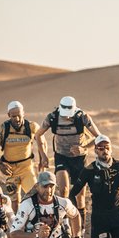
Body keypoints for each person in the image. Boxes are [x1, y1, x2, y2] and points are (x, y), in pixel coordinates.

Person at [34, 96, 100, 225]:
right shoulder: (52, 117)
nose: (67, 117)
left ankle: (81, 227)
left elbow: (98, 137)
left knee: (80, 195)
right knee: (63, 190)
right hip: (61, 156)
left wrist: (83, 148)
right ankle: (65, 225)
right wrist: (43, 155)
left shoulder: (83, 117)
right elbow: (38, 134)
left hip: (79, 158)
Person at [69, 135, 119, 238]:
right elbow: (73, 193)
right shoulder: (89, 170)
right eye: (101, 148)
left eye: (107, 147)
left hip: (118, 213)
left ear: (111, 149)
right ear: (95, 150)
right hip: (99, 216)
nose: (105, 151)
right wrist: (75, 212)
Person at [9, 171, 82, 238]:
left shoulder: (63, 203)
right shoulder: (27, 205)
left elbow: (75, 215)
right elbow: (14, 234)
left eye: (51, 186)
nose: (48, 190)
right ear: (37, 186)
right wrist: (36, 235)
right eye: (45, 186)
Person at [0, 100, 45, 212]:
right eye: (13, 116)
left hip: (27, 169)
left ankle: (36, 220)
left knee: (36, 196)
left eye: (19, 115)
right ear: (8, 115)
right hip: (10, 171)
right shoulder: (2, 129)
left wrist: (42, 160)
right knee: (14, 201)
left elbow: (42, 143)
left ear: (23, 113)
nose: (17, 119)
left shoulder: (32, 127)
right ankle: (16, 222)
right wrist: (1, 165)